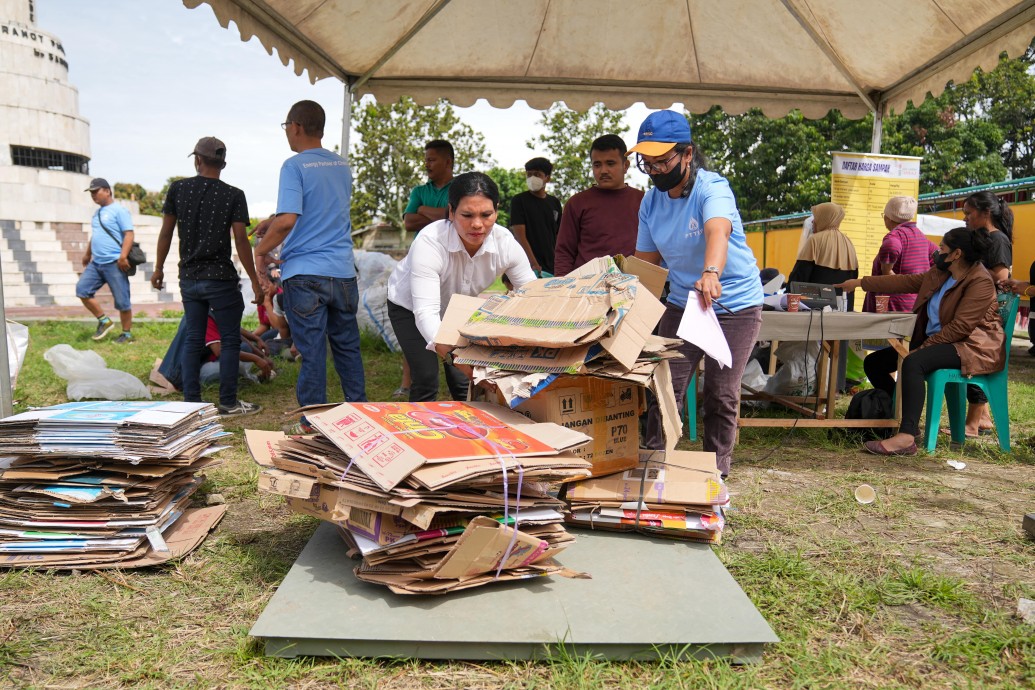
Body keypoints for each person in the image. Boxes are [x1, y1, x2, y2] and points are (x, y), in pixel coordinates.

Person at [631, 111, 763, 478]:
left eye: (663, 160)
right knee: (663, 388)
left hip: (732, 302)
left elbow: (717, 232)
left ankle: (715, 474)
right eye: (648, 162)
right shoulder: (650, 204)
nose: (655, 169)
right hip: (683, 302)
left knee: (720, 393)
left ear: (687, 154)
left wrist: (710, 272)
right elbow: (647, 267)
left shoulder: (712, 188)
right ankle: (654, 464)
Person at [837, 227, 1002, 456]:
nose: (937, 252)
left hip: (970, 346)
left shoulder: (979, 281)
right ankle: (901, 414)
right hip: (942, 341)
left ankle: (906, 436)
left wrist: (922, 348)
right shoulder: (941, 273)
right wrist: (859, 283)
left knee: (914, 361)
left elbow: (961, 327)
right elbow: (904, 282)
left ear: (957, 254)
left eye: (942, 248)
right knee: (874, 363)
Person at [256, 100, 367, 431]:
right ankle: (361, 415)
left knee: (312, 351)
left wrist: (260, 252)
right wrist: (272, 220)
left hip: (305, 275)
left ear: (296, 127)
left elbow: (289, 220)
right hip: (343, 273)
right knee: (347, 347)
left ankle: (312, 422)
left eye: (286, 127)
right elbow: (320, 211)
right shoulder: (341, 166)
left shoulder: (294, 166)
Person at [386, 172, 537, 402]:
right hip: (409, 307)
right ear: (451, 212)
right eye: (467, 215)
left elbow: (534, 297)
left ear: (496, 210)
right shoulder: (430, 241)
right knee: (426, 376)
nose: (477, 225)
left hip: (455, 310)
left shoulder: (506, 244)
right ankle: (418, 432)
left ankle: (467, 433)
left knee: (464, 381)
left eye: (486, 215)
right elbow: (425, 313)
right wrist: (456, 359)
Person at [152, 137, 263, 416]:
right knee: (228, 340)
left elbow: (166, 232)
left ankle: (192, 404)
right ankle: (227, 403)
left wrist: (158, 268)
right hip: (221, 279)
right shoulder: (234, 195)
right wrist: (256, 281)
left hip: (189, 277)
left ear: (197, 160)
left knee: (193, 339)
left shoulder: (178, 189)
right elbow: (240, 241)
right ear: (223, 164)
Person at [553, 135, 644, 276]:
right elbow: (564, 252)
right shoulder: (577, 203)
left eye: (610, 163)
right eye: (597, 165)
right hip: (585, 288)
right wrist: (562, 287)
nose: (603, 170)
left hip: (633, 286)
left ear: (625, 165)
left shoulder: (644, 201)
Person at [962, 191, 1014, 435]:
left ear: (985, 213)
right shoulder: (985, 238)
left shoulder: (998, 240)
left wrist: (971, 269)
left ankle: (973, 424)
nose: (966, 219)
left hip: (986, 315)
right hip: (977, 310)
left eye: (969, 214)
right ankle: (982, 419)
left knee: (973, 362)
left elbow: (1002, 279)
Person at [76, 178, 135, 343]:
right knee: (82, 290)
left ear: (107, 191)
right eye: (91, 193)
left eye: (96, 191)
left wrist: (123, 256)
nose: (93, 195)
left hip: (115, 262)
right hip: (96, 263)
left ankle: (126, 334)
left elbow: (129, 234)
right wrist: (88, 254)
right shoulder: (97, 213)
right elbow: (96, 234)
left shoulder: (119, 211)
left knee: (122, 301)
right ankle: (104, 321)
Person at [862, 196, 937, 313]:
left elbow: (891, 247)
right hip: (915, 303)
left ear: (889, 218)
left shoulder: (894, 236)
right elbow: (937, 257)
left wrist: (887, 270)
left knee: (883, 331)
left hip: (891, 304)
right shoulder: (921, 236)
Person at [787, 202, 859, 309]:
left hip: (815, 311)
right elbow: (854, 276)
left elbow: (799, 276)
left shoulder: (815, 240)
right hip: (843, 308)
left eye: (816, 217)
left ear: (824, 218)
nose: (812, 221)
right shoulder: (848, 242)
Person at [509, 157, 562, 276]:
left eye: (537, 174)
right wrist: (533, 263)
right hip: (529, 266)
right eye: (529, 174)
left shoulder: (554, 202)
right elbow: (520, 236)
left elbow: (558, 235)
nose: (532, 178)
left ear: (547, 178)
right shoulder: (519, 201)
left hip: (552, 265)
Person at [403, 139, 455, 234]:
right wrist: (447, 219)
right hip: (421, 248)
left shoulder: (462, 189)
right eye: (426, 161)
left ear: (448, 162)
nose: (426, 165)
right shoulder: (418, 191)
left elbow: (458, 218)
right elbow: (409, 223)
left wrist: (422, 209)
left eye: (431, 160)